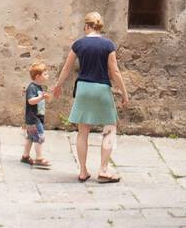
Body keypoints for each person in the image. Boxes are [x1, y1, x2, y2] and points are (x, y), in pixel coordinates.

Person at [52, 12, 129, 183]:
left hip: (83, 89)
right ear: (99, 26)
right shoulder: (108, 45)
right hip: (102, 89)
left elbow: (66, 68)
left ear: (86, 26)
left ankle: (83, 171)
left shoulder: (78, 44)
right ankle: (103, 170)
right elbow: (114, 71)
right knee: (110, 128)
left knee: (82, 132)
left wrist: (58, 86)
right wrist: (124, 92)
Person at [22, 62, 52, 169]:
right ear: (38, 76)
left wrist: (45, 97)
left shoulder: (39, 87)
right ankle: (39, 158)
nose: (47, 75)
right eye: (45, 74)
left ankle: (25, 156)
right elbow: (30, 101)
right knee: (39, 136)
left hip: (36, 117)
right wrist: (41, 98)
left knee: (30, 137)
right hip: (33, 118)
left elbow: (41, 99)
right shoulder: (32, 87)